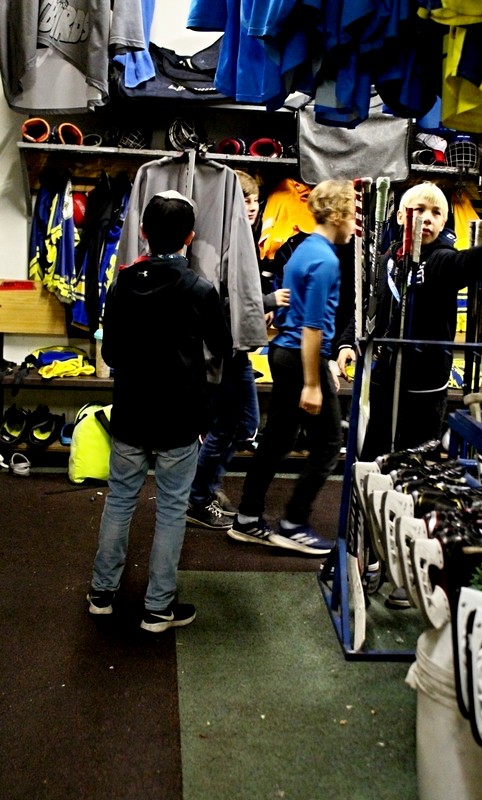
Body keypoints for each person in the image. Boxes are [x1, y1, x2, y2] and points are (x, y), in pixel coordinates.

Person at [336, 180, 482, 604]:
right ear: (398, 216)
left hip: (423, 391)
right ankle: (365, 555)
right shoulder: (388, 259)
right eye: (415, 210)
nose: (424, 218)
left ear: (444, 222)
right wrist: (348, 343)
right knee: (371, 468)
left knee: (418, 480)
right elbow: (369, 308)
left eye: (434, 212)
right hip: (384, 383)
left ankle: (412, 573)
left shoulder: (439, 258)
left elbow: (463, 265)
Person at [86, 190, 232, 632]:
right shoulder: (200, 289)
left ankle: (101, 594)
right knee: (170, 509)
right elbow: (222, 347)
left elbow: (110, 353)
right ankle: (157, 608)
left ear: (143, 232)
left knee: (120, 500)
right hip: (179, 418)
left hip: (131, 411)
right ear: (190, 237)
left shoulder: (122, 285)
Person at [228, 178, 356, 555]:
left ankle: (247, 517)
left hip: (284, 353)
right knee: (329, 444)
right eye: (352, 216)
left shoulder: (304, 248)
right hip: (301, 356)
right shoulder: (325, 260)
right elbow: (312, 326)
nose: (355, 224)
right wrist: (314, 382)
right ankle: (294, 523)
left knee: (278, 439)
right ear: (337, 215)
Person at [186, 170, 290, 530]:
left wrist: (258, 308)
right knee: (225, 426)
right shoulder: (224, 239)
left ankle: (207, 487)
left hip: (239, 348)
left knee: (245, 424)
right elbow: (222, 299)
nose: (252, 206)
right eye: (245, 199)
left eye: (255, 199)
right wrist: (267, 300)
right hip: (223, 349)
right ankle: (199, 498)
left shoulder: (247, 236)